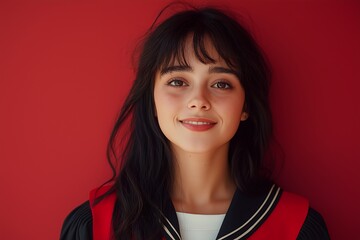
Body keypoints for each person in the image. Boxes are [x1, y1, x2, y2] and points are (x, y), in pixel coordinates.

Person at [60, 5, 330, 240]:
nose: (198, 100)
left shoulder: (297, 226)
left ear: (246, 106)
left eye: (221, 83)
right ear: (152, 100)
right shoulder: (95, 224)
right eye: (178, 81)